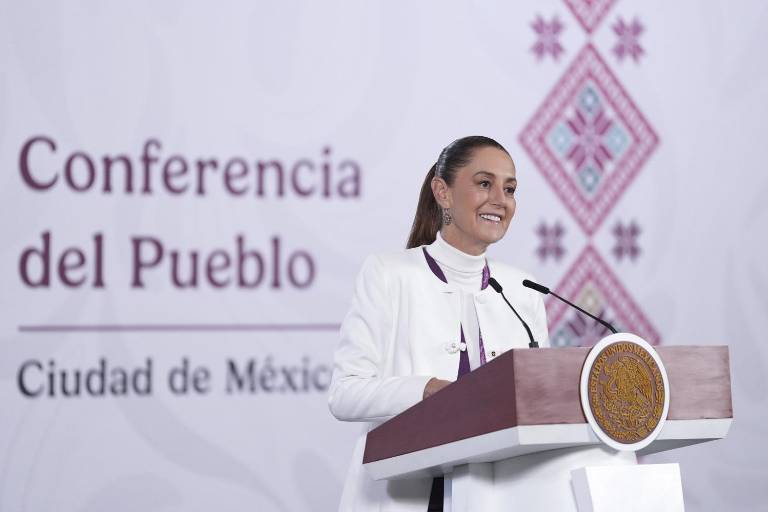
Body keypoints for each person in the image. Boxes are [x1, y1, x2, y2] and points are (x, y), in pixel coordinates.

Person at [328, 136, 550, 511]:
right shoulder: (388, 274)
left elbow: (538, 407)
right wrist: (427, 391)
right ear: (442, 192)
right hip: (406, 497)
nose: (500, 199)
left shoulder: (524, 290)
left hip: (499, 497)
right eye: (484, 183)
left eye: (510, 189)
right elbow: (345, 393)